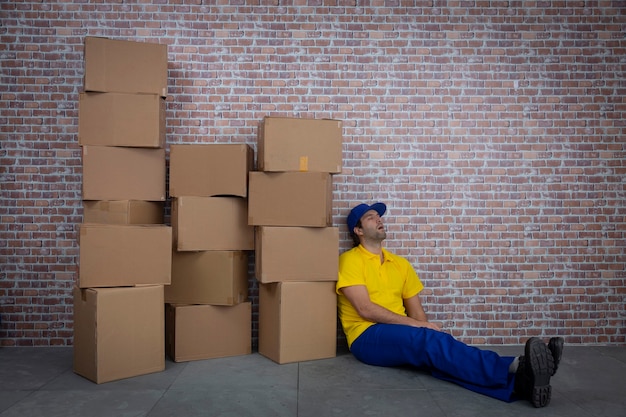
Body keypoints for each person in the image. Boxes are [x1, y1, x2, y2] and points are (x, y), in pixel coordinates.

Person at [336, 202, 565, 408]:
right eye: (370, 217)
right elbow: (364, 309)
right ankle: (516, 365)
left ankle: (522, 384)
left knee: (434, 354)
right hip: (365, 335)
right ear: (358, 230)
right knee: (427, 340)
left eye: (379, 216)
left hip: (400, 331)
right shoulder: (350, 260)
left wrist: (426, 333)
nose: (379, 219)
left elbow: (417, 312)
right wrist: (419, 330)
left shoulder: (401, 264)